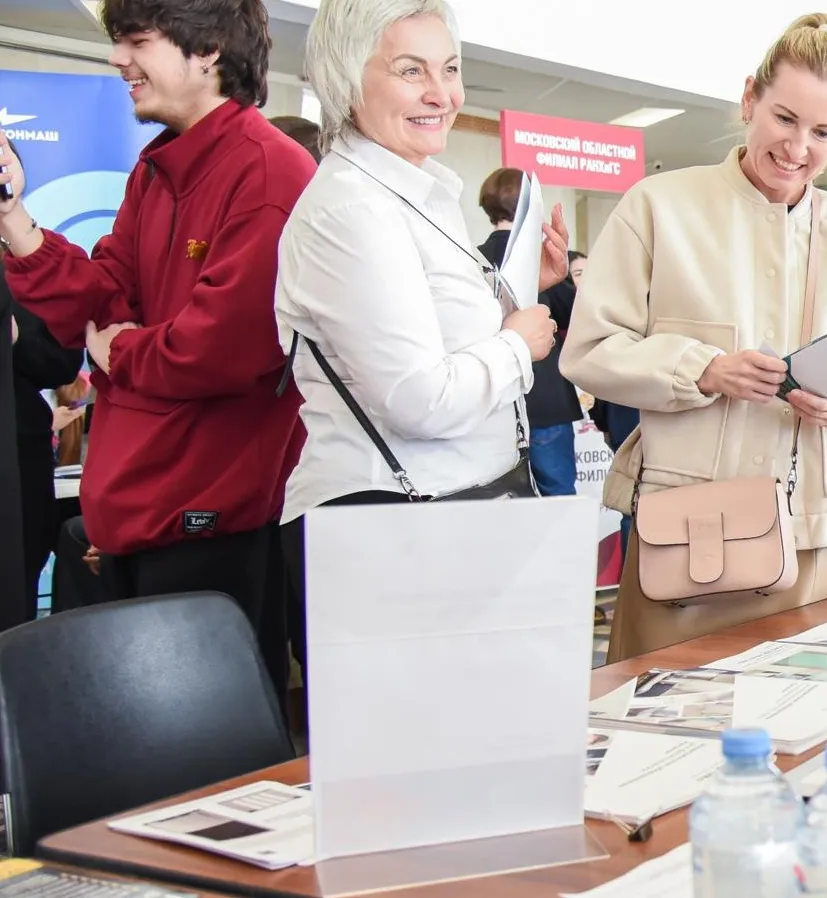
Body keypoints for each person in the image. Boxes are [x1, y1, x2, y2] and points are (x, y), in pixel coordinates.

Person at [562, 13, 827, 662]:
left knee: (806, 739)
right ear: (749, 99)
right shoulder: (658, 207)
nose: (798, 148)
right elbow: (589, 351)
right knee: (659, 731)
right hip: (688, 538)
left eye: (822, 132)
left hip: (819, 537)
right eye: (784, 119)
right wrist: (700, 370)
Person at [0, 0, 314, 691]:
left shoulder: (268, 173)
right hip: (135, 523)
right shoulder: (155, 170)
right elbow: (102, 294)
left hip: (208, 530)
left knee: (209, 773)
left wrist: (121, 352)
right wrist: (15, 219)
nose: (118, 59)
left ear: (207, 52)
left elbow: (222, 348)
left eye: (135, 40)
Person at [276, 0, 564, 670]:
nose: (442, 93)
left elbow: (438, 340)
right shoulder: (352, 208)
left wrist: (519, 297)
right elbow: (417, 398)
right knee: (418, 761)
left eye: (450, 69)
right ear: (349, 81)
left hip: (461, 514)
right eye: (411, 71)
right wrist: (519, 344)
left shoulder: (410, 193)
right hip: (395, 529)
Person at [478, 168, 582, 497]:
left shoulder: (472, 258)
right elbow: (577, 315)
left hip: (492, 398)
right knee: (559, 497)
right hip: (547, 399)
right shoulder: (542, 257)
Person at [7, 278, 84, 625]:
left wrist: (16, 334)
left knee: (15, 588)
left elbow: (62, 364)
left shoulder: (23, 273)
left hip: (17, 456)